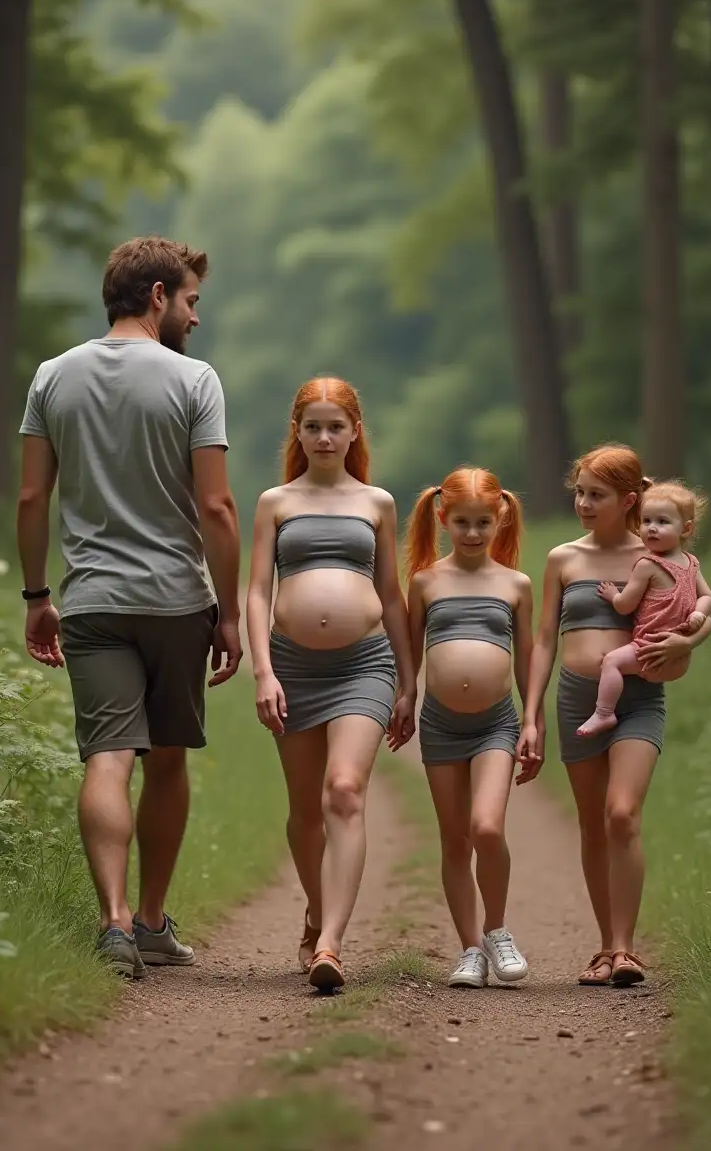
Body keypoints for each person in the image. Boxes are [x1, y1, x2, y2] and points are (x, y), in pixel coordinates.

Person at [16, 235, 242, 979]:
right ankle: (149, 921)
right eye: (190, 301)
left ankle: (110, 923)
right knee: (167, 759)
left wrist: (37, 596)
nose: (195, 318)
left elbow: (30, 498)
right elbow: (216, 506)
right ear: (156, 297)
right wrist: (232, 611)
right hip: (177, 601)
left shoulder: (53, 376)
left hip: (92, 601)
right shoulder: (194, 379)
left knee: (108, 759)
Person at [518, 444, 711, 988]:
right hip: (578, 699)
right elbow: (543, 642)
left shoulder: (655, 550)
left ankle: (626, 949)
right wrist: (530, 716)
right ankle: (605, 946)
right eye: (578, 491)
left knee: (621, 814)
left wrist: (694, 634)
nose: (582, 502)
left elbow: (697, 609)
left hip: (640, 698)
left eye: (595, 495)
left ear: (628, 499)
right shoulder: (563, 558)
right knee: (592, 825)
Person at [246, 377, 416, 992]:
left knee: (343, 790)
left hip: (363, 664)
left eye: (335, 426)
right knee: (304, 811)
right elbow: (259, 589)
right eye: (312, 426)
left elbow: (392, 597)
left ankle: (332, 944)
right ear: (298, 431)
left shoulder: (377, 502)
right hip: (292, 667)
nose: (323, 437)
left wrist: (408, 679)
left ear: (354, 432)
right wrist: (263, 670)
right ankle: (316, 912)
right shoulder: (274, 502)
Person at [404, 468, 538, 990]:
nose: (474, 533)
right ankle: (470, 950)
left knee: (487, 827)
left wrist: (532, 721)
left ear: (500, 518)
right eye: (462, 522)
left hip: (496, 726)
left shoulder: (515, 584)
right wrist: (406, 698)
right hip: (440, 726)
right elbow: (411, 653)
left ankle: (497, 930)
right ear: (443, 518)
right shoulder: (425, 581)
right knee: (455, 840)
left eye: (484, 522)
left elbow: (527, 660)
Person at [576, 480, 711, 737]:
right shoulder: (691, 563)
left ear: (686, 529)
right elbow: (706, 597)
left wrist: (612, 594)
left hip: (648, 652)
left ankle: (604, 713)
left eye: (662, 522)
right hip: (679, 658)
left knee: (612, 662)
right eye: (646, 521)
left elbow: (625, 606)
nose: (651, 528)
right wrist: (698, 614)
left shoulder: (647, 565)